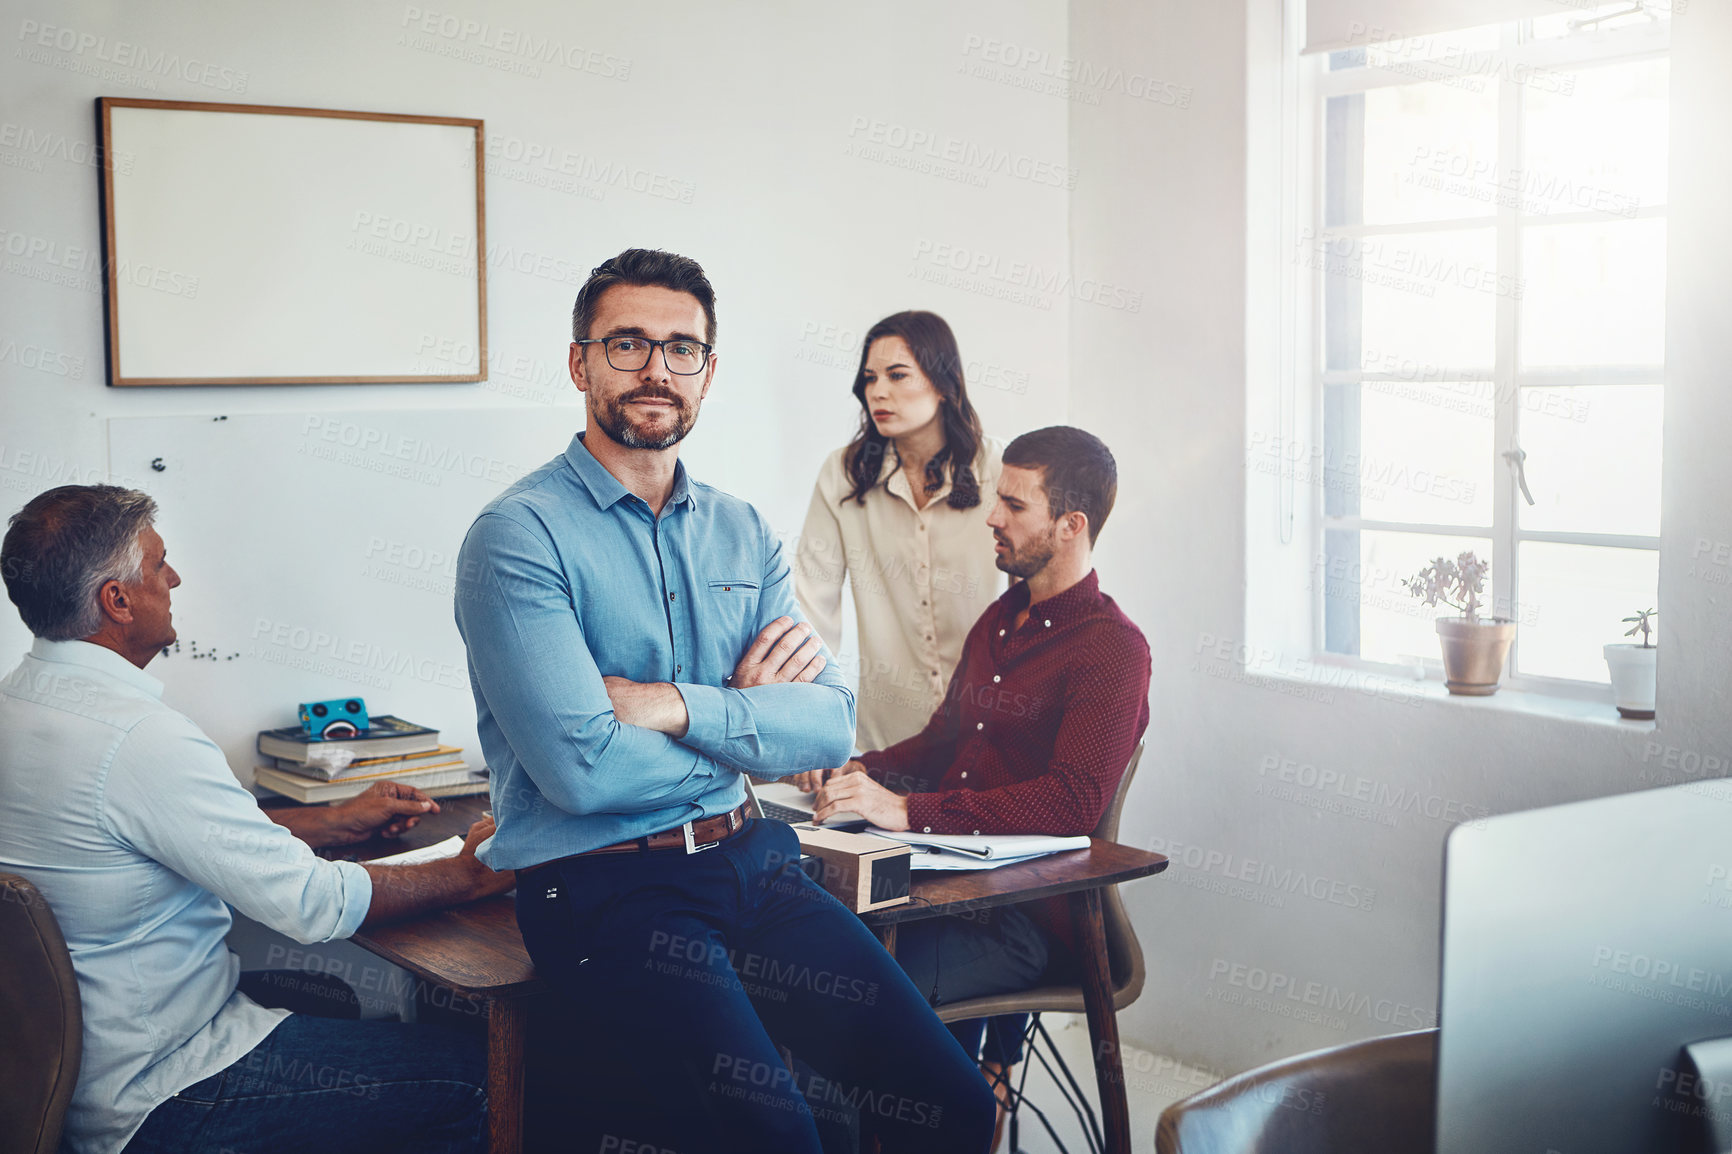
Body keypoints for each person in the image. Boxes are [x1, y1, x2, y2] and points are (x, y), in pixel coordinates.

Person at [451, 247, 995, 1153]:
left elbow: (826, 722)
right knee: (780, 1141)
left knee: (951, 1100)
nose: (657, 369)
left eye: (683, 348)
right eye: (628, 344)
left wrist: (672, 703)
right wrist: (747, 721)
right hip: (608, 890)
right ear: (581, 362)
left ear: (710, 371)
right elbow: (581, 771)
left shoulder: (741, 531)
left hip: (751, 861)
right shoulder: (518, 539)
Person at [0, 484, 518, 1154]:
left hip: (60, 1081)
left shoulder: (22, 708)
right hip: (163, 1091)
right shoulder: (137, 739)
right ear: (117, 600)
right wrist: (473, 875)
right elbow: (312, 906)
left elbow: (154, 835)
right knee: (481, 1077)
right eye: (160, 565)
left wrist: (330, 823)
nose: (175, 578)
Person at [800, 427, 1152, 1145]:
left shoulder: (1112, 649)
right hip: (942, 894)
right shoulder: (1001, 619)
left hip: (1023, 920)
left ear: (1070, 525)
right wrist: (861, 769)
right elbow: (941, 745)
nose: (993, 516)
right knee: (810, 960)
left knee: (842, 1003)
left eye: (1014, 505)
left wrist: (907, 810)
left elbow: (1072, 804)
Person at [795, 310, 1005, 753]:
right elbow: (810, 608)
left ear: (944, 384)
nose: (879, 391)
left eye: (897, 375)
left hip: (992, 738)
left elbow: (1035, 605)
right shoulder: (843, 474)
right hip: (888, 746)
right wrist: (811, 726)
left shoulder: (998, 471)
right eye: (870, 378)